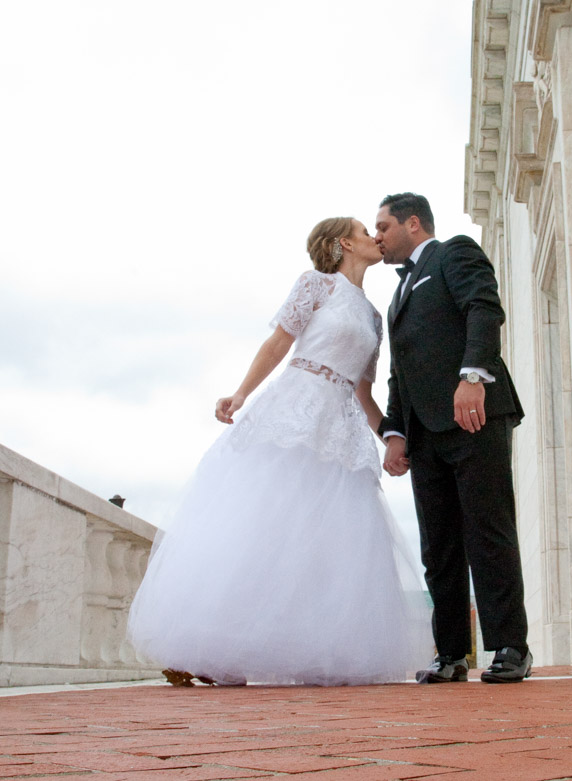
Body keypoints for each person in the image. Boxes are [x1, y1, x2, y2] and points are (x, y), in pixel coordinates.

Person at [127, 216, 432, 686]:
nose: (374, 237)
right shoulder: (316, 285)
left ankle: (314, 650)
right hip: (294, 410)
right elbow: (278, 343)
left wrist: (391, 439)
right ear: (344, 243)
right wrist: (241, 393)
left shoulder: (374, 317)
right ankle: (221, 649)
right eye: (363, 230)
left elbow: (363, 392)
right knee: (268, 526)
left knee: (325, 542)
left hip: (341, 432)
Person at [374, 192, 532, 684]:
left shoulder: (454, 252)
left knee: (487, 531)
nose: (377, 237)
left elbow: (483, 308)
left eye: (382, 227)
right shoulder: (397, 296)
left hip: (474, 415)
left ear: (413, 223)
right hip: (424, 433)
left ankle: (510, 646)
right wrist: (395, 432)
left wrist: (473, 376)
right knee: (438, 547)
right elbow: (400, 371)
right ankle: (451, 655)